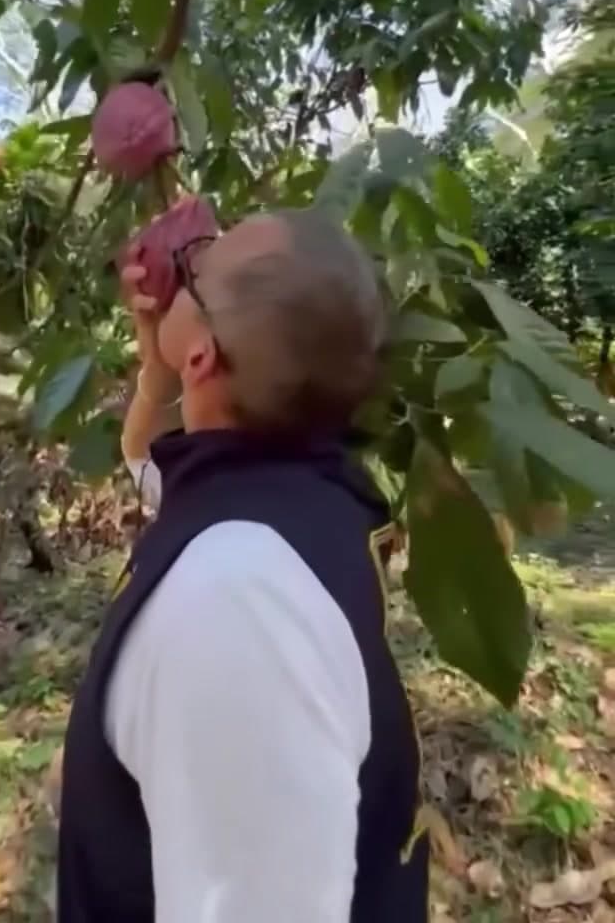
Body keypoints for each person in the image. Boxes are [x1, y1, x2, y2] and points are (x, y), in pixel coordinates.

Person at [57, 209, 429, 923]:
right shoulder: (288, 490)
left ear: (203, 357)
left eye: (197, 268)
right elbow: (144, 460)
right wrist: (160, 370)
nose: (182, 270)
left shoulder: (235, 601)